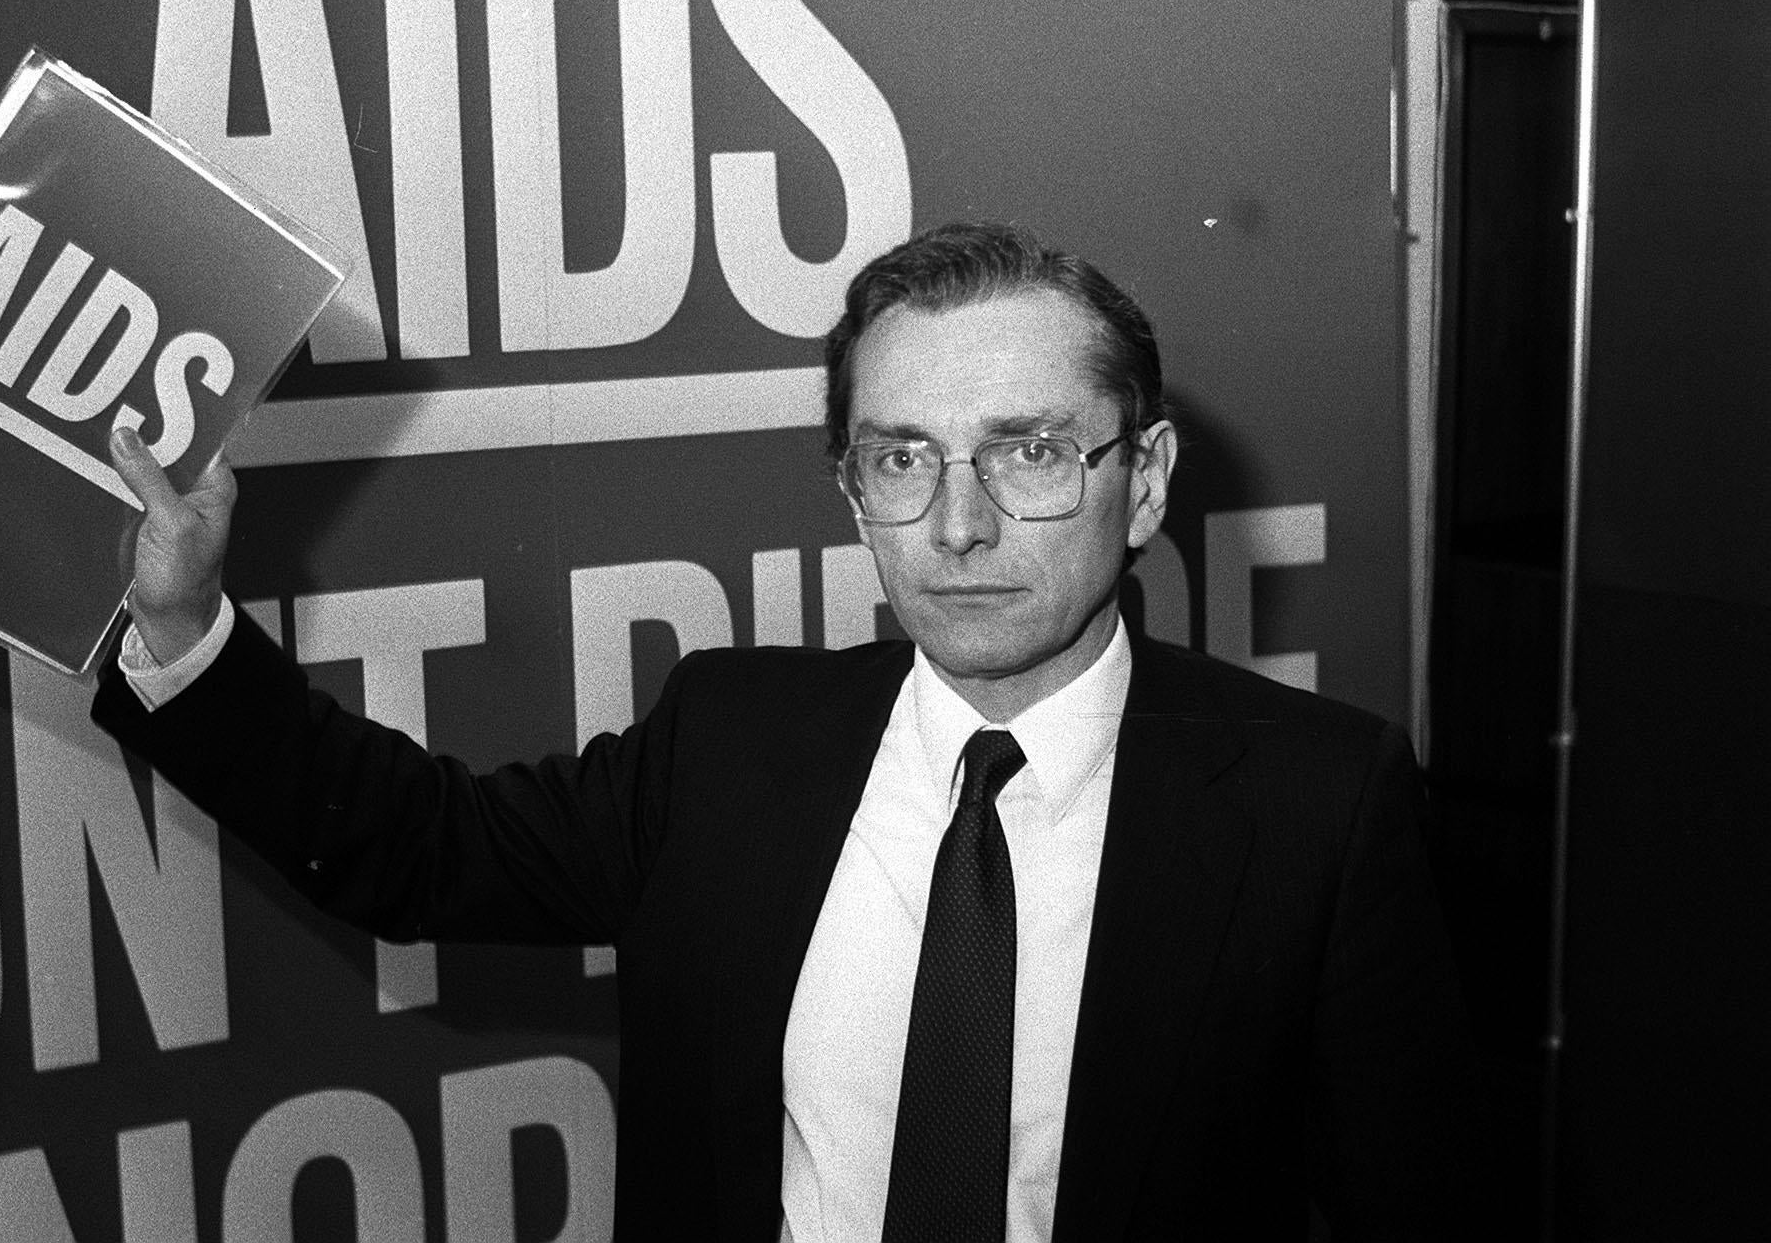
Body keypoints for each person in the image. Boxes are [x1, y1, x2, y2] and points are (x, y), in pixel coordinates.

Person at [91, 220, 1474, 1242]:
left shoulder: (1322, 809)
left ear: (1147, 479)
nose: (959, 523)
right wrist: (188, 624)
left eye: (1032, 451)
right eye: (900, 458)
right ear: (849, 490)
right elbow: (414, 850)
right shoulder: (734, 744)